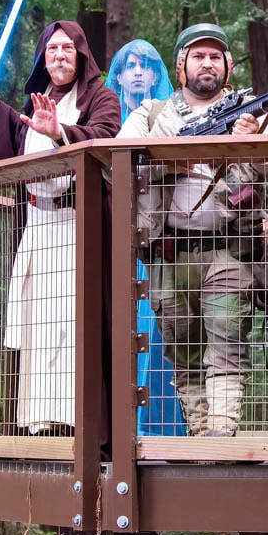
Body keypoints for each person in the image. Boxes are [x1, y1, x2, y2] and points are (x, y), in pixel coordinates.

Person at [116, 23, 268, 437]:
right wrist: (164, 158)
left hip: (231, 249)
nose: (206, 63)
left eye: (215, 56)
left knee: (227, 342)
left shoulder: (251, 109)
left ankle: (222, 436)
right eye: (198, 55)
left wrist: (252, 144)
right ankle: (199, 436)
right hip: (170, 252)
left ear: (227, 66)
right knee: (183, 349)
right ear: (181, 65)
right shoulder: (151, 114)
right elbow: (117, 161)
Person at [0, 20, 121, 434]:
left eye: (68, 49)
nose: (59, 55)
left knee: (72, 329)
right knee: (37, 330)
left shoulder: (101, 98)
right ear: (43, 57)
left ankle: (83, 431)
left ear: (81, 56)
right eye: (52, 49)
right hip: (37, 227)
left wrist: (60, 132)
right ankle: (39, 428)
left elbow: (106, 138)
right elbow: (15, 139)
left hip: (78, 229)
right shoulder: (33, 104)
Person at [106, 39, 187, 437]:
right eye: (130, 65)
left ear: (157, 75)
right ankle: (116, 431)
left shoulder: (168, 115)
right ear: (118, 74)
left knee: (155, 334)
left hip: (155, 242)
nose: (138, 71)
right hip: (110, 241)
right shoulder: (107, 118)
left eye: (146, 65)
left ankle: (158, 431)